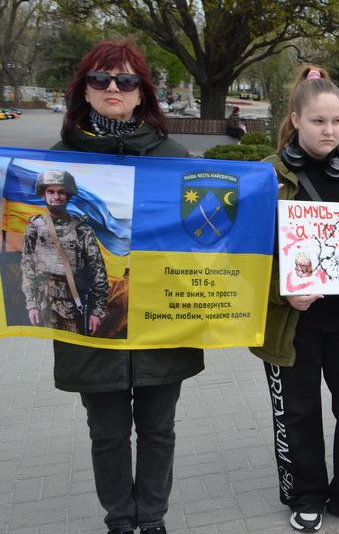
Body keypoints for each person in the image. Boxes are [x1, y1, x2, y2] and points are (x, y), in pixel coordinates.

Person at [51, 39, 203, 534]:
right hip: (93, 326)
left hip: (164, 321)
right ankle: (120, 521)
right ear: (85, 92)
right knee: (108, 433)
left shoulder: (175, 158)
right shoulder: (59, 166)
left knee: (159, 431)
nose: (112, 87)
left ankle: (152, 519)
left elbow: (211, 242)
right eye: (100, 79)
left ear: (142, 94)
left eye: (125, 80)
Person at [250, 66, 339, 531]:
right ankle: (306, 494)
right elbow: (240, 259)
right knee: (298, 411)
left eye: (336, 121)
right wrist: (281, 293)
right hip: (292, 323)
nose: (329, 130)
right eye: (318, 121)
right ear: (295, 120)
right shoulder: (264, 178)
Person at [21, 169, 109, 335]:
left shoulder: (82, 230)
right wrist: (32, 305)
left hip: (76, 308)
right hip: (45, 307)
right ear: (43, 195)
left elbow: (98, 273)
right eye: (51, 191)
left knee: (78, 353)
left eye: (61, 192)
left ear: (68, 195)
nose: (56, 196)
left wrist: (96, 312)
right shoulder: (34, 228)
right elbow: (28, 268)